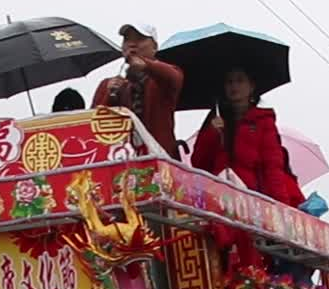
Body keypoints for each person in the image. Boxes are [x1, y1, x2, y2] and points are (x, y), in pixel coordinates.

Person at [189, 66, 306, 209]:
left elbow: (272, 167)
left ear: (251, 86)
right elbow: (198, 164)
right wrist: (212, 133)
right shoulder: (216, 119)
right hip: (220, 197)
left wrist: (281, 206)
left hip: (254, 200)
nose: (234, 86)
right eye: (229, 82)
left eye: (240, 80)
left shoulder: (263, 121)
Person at [92, 23, 184, 159]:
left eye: (139, 39)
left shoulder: (160, 81)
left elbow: (174, 77)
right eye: (127, 40)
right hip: (119, 163)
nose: (132, 44)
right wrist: (109, 95)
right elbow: (93, 124)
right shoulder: (107, 85)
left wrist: (146, 65)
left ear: (155, 47)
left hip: (159, 161)